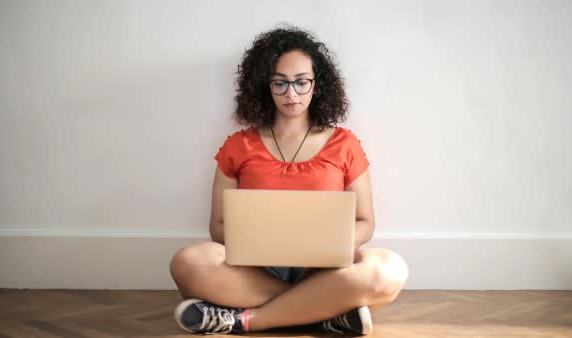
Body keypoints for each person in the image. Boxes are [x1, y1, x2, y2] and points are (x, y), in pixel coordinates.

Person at [169, 25, 409, 335]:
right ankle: (325, 312)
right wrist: (260, 244)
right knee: (188, 262)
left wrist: (326, 247)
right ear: (264, 87)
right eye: (280, 83)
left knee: (388, 270)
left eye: (301, 82)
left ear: (317, 85)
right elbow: (218, 226)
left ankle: (243, 320)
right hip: (256, 270)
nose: (291, 94)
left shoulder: (345, 143)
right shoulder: (238, 145)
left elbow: (365, 222)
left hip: (325, 269)